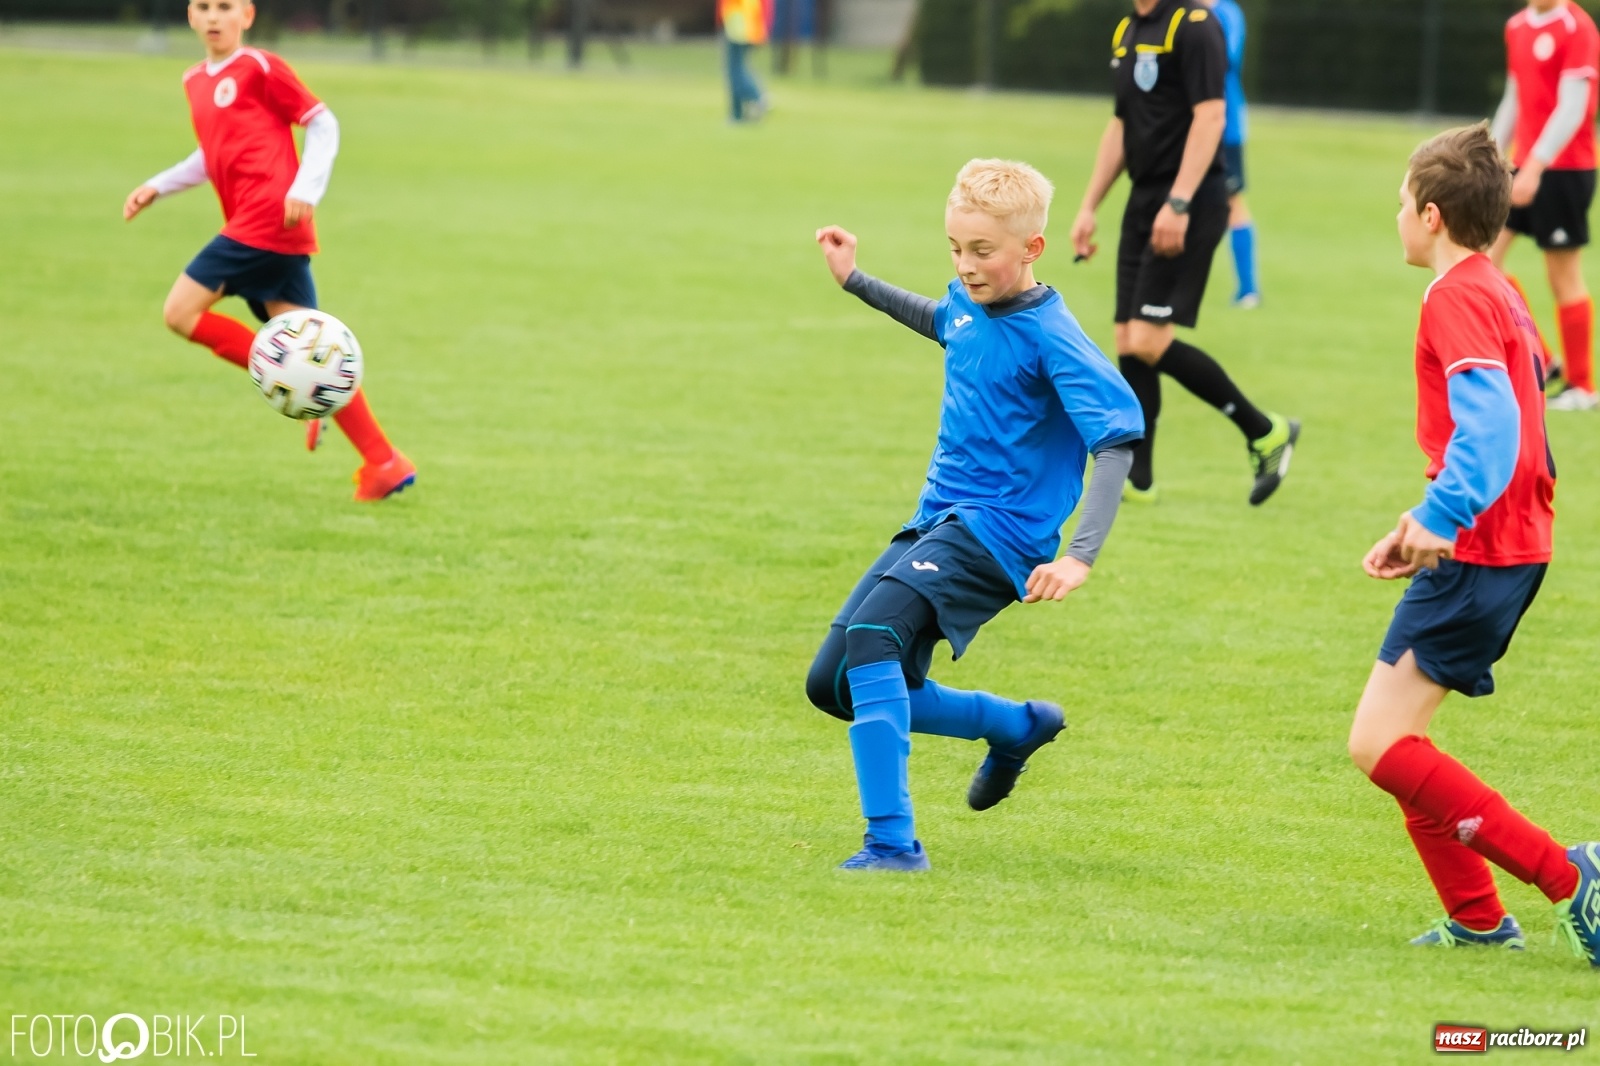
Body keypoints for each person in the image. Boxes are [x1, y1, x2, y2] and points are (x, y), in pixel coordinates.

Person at [806, 159, 1145, 872]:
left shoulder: (1051, 334)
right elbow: (942, 321)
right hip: (938, 520)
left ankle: (892, 844)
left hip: (1000, 537)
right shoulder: (967, 302)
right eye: (956, 249)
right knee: (832, 685)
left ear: (1031, 249)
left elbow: (1116, 439)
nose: (965, 266)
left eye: (982, 252)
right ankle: (1015, 726)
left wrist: (1078, 555)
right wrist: (854, 280)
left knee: (873, 637)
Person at [1350, 123, 1597, 964]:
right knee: (1403, 741)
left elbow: (1490, 429)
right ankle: (1479, 921)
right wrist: (1422, 523)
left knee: (1379, 744)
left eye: (1397, 206)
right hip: (1507, 541)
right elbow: (1526, 432)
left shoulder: (1455, 295)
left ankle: (1571, 878)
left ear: (1429, 214)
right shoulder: (1499, 285)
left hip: (1481, 548)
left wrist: (1444, 519)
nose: (1395, 220)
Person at [123, 0, 415, 502]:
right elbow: (214, 152)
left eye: (225, 7)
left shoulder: (260, 67)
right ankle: (383, 461)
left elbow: (323, 123)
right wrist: (159, 185)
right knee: (316, 351)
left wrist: (307, 186)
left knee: (179, 313)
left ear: (247, 15)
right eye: (203, 7)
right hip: (264, 228)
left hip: (268, 218)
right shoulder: (195, 79)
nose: (214, 17)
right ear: (190, 17)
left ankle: (293, 382)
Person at [1072, 0, 1296, 505]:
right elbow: (1120, 126)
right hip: (1143, 197)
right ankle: (1140, 478)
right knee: (1129, 339)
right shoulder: (1129, 29)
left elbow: (1212, 115)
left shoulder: (1195, 25)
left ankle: (1265, 430)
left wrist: (1179, 201)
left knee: (1150, 339)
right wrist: (1089, 206)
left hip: (1189, 201)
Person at [1490, 0, 1600, 410]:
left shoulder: (1577, 27)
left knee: (1562, 275)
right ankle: (1543, 358)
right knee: (1486, 260)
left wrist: (1536, 165)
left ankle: (1583, 386)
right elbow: (1514, 98)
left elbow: (1573, 108)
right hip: (1522, 167)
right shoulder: (1517, 25)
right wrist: (1491, 154)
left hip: (1565, 169)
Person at [1199, 0, 1259, 307]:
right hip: (1188, 126)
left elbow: (1224, 59)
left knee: (1232, 202)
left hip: (1225, 127)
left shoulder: (1226, 13)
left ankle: (1248, 290)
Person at [718, 0, 770, 123]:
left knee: (736, 71)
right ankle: (737, 113)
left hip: (740, 30)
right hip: (738, 28)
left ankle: (757, 96)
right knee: (734, 71)